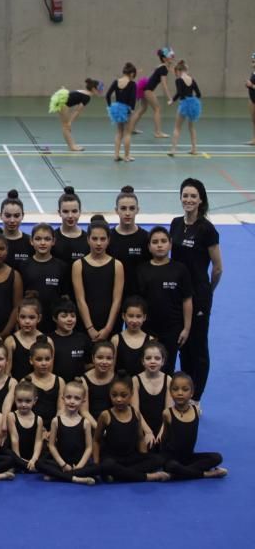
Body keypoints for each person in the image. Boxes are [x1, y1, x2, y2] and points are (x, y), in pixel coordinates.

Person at [170, 177, 222, 399]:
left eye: (193, 196)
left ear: (201, 200)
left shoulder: (207, 229)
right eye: (185, 195)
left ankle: (195, 396)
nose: (188, 200)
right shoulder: (175, 224)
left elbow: (218, 267)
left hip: (199, 294)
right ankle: (182, 390)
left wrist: (207, 290)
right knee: (182, 343)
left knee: (198, 347)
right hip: (178, 293)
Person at [93, 375, 168, 483]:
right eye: (114, 395)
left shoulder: (136, 413)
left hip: (131, 457)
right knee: (108, 465)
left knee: (158, 460)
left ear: (131, 395)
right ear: (109, 394)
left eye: (123, 396)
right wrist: (96, 465)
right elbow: (96, 440)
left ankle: (119, 474)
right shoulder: (105, 415)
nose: (118, 399)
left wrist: (144, 457)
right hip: (113, 458)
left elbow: (140, 439)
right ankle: (145, 476)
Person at [137, 226, 193, 371]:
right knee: (147, 367)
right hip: (147, 329)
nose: (160, 245)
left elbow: (187, 300)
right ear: (149, 247)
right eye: (155, 242)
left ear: (170, 244)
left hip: (172, 329)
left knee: (167, 368)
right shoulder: (142, 270)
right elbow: (137, 303)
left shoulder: (180, 269)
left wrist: (186, 328)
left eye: (163, 241)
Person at [161, 372, 227, 480]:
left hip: (189, 457)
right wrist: (163, 459)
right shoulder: (167, 413)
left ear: (192, 393)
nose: (180, 393)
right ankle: (206, 474)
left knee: (217, 457)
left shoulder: (196, 410)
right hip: (172, 458)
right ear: (170, 392)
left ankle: (179, 474)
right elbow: (164, 438)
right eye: (175, 389)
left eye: (185, 389)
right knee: (172, 466)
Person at [72, 216, 124, 343]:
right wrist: (89, 328)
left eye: (103, 239)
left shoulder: (117, 265)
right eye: (94, 239)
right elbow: (80, 300)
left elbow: (117, 301)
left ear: (108, 240)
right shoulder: (78, 265)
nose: (99, 243)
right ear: (88, 240)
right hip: (85, 324)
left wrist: (108, 328)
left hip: (110, 324)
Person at [38, 380, 98, 485]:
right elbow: (51, 446)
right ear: (63, 398)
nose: (72, 401)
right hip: (62, 462)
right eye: (68, 397)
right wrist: (63, 465)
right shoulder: (56, 421)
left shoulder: (86, 423)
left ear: (83, 401)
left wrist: (79, 466)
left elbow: (89, 448)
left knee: (97, 468)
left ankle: (60, 476)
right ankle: (75, 478)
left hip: (79, 462)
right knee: (39, 464)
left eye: (77, 398)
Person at [20, 223, 71, 324]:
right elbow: (19, 297)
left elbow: (65, 297)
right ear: (31, 241)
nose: (42, 243)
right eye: (38, 239)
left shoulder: (62, 267)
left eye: (47, 239)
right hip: (29, 321)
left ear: (53, 241)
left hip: (54, 322)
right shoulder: (23, 266)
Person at [108, 186, 150, 302]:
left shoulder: (146, 238)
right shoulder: (108, 238)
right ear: (116, 210)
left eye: (132, 208)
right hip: (113, 296)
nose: (127, 213)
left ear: (138, 210)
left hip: (139, 297)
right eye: (123, 208)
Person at [132, 343, 172, 449]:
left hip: (162, 426)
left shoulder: (168, 380)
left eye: (157, 358)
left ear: (163, 361)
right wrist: (148, 432)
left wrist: (162, 432)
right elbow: (135, 410)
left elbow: (168, 411)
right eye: (148, 358)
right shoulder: (135, 380)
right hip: (142, 426)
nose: (153, 361)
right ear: (143, 361)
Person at [48, 78, 103, 151]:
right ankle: (72, 147)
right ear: (93, 89)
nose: (101, 91)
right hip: (63, 104)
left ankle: (73, 145)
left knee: (66, 126)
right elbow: (77, 110)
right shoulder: (87, 97)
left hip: (62, 103)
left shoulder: (84, 92)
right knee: (66, 126)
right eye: (99, 89)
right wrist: (70, 122)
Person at [5, 295, 48, 381]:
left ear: (39, 318)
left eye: (31, 317)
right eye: (23, 317)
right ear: (17, 317)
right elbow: (7, 373)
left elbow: (48, 373)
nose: (27, 321)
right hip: (18, 389)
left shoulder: (48, 341)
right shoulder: (10, 341)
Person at [136, 47, 176, 137]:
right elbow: (164, 84)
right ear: (164, 58)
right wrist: (170, 98)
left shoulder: (162, 67)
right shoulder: (163, 68)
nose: (173, 57)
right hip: (148, 90)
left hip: (145, 89)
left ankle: (131, 128)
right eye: (171, 56)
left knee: (142, 109)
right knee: (157, 109)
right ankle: (158, 132)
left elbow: (169, 69)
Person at [5, 381, 44, 473]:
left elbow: (38, 442)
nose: (23, 404)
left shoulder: (38, 419)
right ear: (15, 399)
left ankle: (30, 466)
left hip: (31, 453)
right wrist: (19, 461)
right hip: (15, 454)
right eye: (19, 400)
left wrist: (34, 459)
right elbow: (14, 439)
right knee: (6, 454)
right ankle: (23, 466)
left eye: (27, 401)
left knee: (46, 457)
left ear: (35, 400)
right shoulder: (11, 416)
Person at [25, 337, 63, 427]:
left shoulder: (60, 381)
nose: (44, 363)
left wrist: (53, 430)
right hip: (31, 426)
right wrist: (40, 430)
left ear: (52, 359)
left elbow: (61, 409)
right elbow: (24, 410)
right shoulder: (26, 381)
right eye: (39, 359)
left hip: (54, 427)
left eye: (47, 359)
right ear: (31, 360)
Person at [169, 60, 202, 155]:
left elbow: (179, 93)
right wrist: (193, 101)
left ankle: (173, 150)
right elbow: (199, 94)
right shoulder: (192, 79)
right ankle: (194, 149)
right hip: (193, 105)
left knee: (177, 127)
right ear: (186, 70)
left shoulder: (179, 80)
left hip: (184, 105)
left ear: (179, 71)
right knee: (191, 128)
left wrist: (172, 100)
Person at [112, 296, 152, 376]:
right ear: (123, 316)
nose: (134, 321)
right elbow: (111, 369)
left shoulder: (150, 340)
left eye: (138, 316)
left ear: (144, 317)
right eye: (130, 316)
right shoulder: (116, 340)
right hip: (121, 385)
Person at [106, 63, 138, 161]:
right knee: (127, 133)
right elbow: (133, 99)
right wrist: (131, 110)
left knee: (119, 132)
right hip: (127, 109)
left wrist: (110, 106)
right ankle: (126, 156)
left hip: (117, 109)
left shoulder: (116, 82)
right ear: (132, 74)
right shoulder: (132, 84)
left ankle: (116, 155)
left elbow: (107, 95)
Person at [79, 341, 116, 420]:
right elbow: (84, 412)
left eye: (109, 358)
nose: (104, 362)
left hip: (112, 424)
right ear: (93, 358)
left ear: (113, 360)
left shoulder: (117, 379)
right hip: (91, 424)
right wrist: (99, 428)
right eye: (100, 357)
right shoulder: (83, 381)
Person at [53, 188, 88, 267]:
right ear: (59, 212)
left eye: (74, 211)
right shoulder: (52, 238)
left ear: (80, 212)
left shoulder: (88, 239)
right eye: (65, 211)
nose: (70, 216)